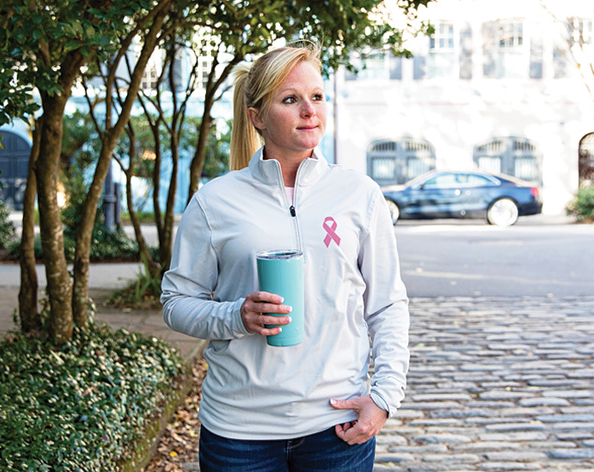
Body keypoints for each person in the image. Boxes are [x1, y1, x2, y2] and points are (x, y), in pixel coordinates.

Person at [161, 43, 410, 472]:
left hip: (335, 426)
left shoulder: (360, 194)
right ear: (257, 117)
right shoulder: (214, 202)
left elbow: (387, 304)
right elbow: (176, 303)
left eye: (316, 97)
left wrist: (385, 396)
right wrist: (236, 317)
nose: (309, 111)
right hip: (239, 433)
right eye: (290, 99)